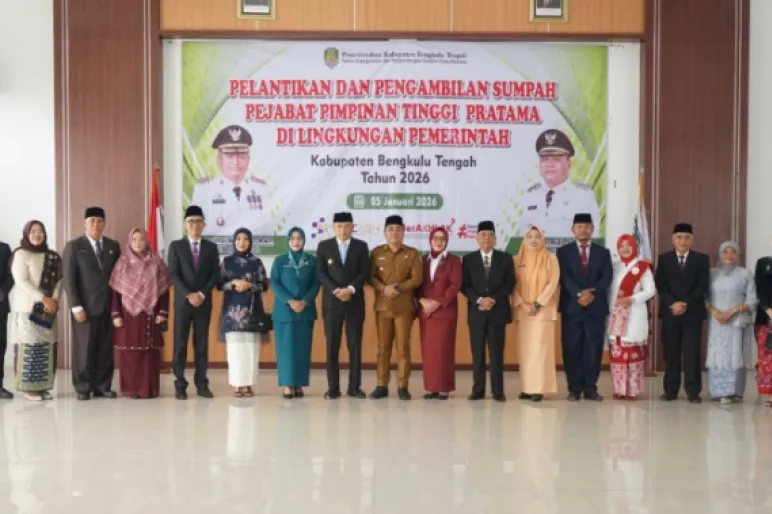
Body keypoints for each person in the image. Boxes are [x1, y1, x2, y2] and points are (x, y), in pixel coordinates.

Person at [62, 207, 121, 401]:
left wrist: (117, 308)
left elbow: (119, 277)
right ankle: (83, 387)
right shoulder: (74, 246)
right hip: (84, 308)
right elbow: (69, 279)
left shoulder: (113, 246)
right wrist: (76, 306)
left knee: (105, 349)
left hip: (107, 307)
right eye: (92, 220)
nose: (96, 224)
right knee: (84, 349)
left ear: (104, 223)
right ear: (85, 223)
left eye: (100, 220)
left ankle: (103, 386)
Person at [109, 228, 171, 399]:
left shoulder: (157, 263)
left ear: (147, 241)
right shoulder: (122, 263)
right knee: (129, 355)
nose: (137, 243)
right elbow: (115, 292)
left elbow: (164, 291)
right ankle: (131, 390)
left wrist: (162, 312)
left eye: (141, 239)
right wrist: (116, 314)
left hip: (150, 315)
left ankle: (149, 389)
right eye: (134, 239)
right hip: (127, 315)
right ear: (130, 242)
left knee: (149, 355)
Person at [556, 213, 612, 402]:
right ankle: (574, 388)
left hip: (595, 308)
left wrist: (591, 293)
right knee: (571, 348)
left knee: (593, 348)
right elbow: (563, 277)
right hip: (572, 307)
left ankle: (590, 388)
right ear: (573, 230)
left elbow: (607, 278)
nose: (583, 230)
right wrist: (579, 294)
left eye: (587, 227)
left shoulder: (603, 253)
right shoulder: (563, 252)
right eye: (579, 227)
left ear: (592, 229)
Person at [167, 205, 220, 400]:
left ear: (204, 224)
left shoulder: (211, 247)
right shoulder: (176, 246)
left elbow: (215, 274)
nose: (194, 225)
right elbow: (174, 273)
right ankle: (180, 384)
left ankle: (202, 384)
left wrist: (202, 294)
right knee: (180, 344)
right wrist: (189, 294)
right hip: (183, 303)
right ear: (185, 225)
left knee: (201, 345)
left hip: (203, 304)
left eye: (198, 221)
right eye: (191, 221)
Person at [316, 212, 370, 400]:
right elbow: (321, 273)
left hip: (354, 302)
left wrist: (350, 289)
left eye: (347, 226)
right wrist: (336, 290)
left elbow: (364, 272)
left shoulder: (361, 246)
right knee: (332, 345)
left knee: (354, 345)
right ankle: (333, 388)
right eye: (339, 226)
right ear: (333, 227)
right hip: (332, 303)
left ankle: (354, 387)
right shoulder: (324, 246)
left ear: (352, 227)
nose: (343, 230)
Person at [654, 223, 710, 403]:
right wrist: (672, 303)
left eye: (686, 237)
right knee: (671, 352)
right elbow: (661, 285)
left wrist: (685, 304)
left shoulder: (701, 259)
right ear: (673, 240)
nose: (682, 241)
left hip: (692, 313)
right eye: (679, 237)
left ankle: (693, 391)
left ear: (692, 240)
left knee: (692, 352)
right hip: (670, 313)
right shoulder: (664, 259)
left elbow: (702, 286)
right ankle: (670, 390)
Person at [369, 215, 423, 400]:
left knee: (403, 348)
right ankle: (381, 385)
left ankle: (402, 386)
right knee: (383, 348)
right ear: (385, 232)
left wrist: (397, 288)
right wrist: (383, 288)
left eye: (398, 229)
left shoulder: (412, 253)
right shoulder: (376, 252)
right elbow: (371, 277)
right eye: (390, 229)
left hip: (404, 308)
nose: (394, 232)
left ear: (403, 231)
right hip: (383, 308)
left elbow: (417, 278)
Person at [462, 221, 515, 402]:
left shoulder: (505, 258)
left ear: (495, 238)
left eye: (490, 235)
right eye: (483, 234)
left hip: (497, 312)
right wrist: (479, 300)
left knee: (496, 354)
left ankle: (498, 391)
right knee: (477, 353)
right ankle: (478, 390)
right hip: (476, 313)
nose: (486, 238)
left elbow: (510, 283)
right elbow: (465, 285)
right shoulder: (468, 259)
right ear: (477, 238)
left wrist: (493, 299)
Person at [9, 221, 60, 401]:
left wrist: (54, 300)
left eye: (40, 231)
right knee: (30, 347)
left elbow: (59, 280)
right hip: (27, 309)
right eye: (33, 231)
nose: (37, 234)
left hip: (48, 309)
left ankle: (43, 387)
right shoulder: (21, 254)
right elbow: (21, 281)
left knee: (46, 347)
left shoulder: (53, 256)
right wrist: (43, 298)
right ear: (26, 234)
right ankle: (29, 389)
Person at [217, 228, 269, 398]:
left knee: (250, 350)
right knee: (235, 351)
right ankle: (237, 385)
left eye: (245, 239)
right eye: (238, 239)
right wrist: (233, 283)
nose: (242, 242)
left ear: (250, 242)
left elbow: (264, 285)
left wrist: (249, 285)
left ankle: (248, 385)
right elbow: (219, 284)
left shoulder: (257, 262)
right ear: (234, 241)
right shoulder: (227, 262)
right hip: (232, 313)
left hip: (253, 311)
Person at [520, 129, 600, 238]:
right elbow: (523, 239)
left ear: (569, 163)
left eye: (556, 159)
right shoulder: (530, 196)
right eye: (545, 159)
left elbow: (592, 239)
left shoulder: (583, 197)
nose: (549, 164)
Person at [191, 125, 269, 235]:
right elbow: (194, 231)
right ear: (219, 159)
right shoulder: (205, 189)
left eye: (241, 156)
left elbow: (267, 231)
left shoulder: (260, 189)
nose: (236, 162)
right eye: (229, 156)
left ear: (248, 158)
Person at [512, 225, 560, 402]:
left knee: (540, 351)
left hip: (543, 311)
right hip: (523, 311)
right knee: (525, 351)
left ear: (542, 239)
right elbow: (512, 284)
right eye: (530, 237)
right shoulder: (517, 259)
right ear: (525, 239)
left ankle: (538, 389)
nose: (533, 240)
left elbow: (553, 282)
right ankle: (527, 387)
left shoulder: (550, 258)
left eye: (537, 237)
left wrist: (538, 303)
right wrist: (521, 303)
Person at [705, 241, 757, 404]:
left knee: (735, 352)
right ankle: (717, 390)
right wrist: (716, 313)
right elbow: (704, 297)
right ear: (719, 254)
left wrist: (731, 312)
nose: (729, 255)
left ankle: (735, 391)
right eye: (725, 252)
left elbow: (752, 299)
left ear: (737, 254)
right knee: (718, 352)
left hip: (736, 321)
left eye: (733, 252)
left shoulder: (744, 274)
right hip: (717, 322)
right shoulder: (711, 273)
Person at [271, 227, 320, 399]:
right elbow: (275, 283)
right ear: (288, 240)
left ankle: (298, 383)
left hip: (305, 311)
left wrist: (304, 301)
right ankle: (287, 384)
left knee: (302, 349)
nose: (296, 241)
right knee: (285, 350)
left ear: (304, 240)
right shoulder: (280, 260)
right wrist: (290, 301)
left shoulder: (312, 261)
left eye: (299, 238)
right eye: (292, 238)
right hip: (284, 312)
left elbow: (316, 284)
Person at [607, 234, 656, 400]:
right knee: (618, 353)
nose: (625, 249)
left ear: (634, 247)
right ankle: (619, 389)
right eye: (622, 246)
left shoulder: (642, 267)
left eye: (628, 245)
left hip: (634, 314)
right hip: (616, 316)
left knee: (633, 353)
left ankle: (632, 390)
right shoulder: (616, 266)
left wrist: (633, 299)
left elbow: (650, 290)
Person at [417, 227, 462, 400]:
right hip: (427, 313)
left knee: (444, 350)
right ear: (430, 240)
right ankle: (430, 388)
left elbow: (455, 285)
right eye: (435, 238)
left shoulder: (454, 260)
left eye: (442, 239)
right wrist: (422, 301)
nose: (438, 241)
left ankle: (444, 388)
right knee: (429, 352)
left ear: (447, 241)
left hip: (445, 312)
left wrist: (437, 302)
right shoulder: (423, 260)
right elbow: (417, 283)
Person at [754, 255, 772, 406]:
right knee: (768, 357)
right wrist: (768, 309)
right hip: (766, 316)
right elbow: (758, 288)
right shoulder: (763, 263)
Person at [0, 239, 13, 399]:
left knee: (0, 346)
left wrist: (2, 291)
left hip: (0, 304)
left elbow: (11, 275)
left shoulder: (4, 248)